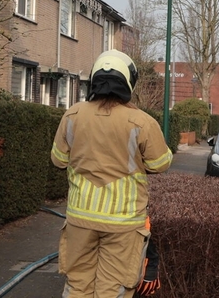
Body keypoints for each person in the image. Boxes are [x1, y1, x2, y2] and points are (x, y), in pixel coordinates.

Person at [51, 50, 172, 298]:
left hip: (80, 218)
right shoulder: (142, 122)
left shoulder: (72, 115)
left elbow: (59, 159)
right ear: (129, 81)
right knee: (113, 289)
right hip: (123, 222)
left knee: (77, 286)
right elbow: (161, 163)